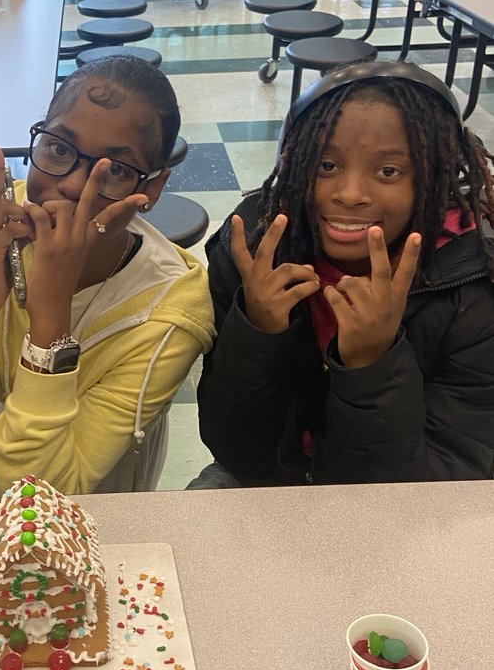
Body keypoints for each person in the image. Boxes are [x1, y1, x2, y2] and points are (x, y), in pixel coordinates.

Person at [0, 55, 215, 499]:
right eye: (59, 149)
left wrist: (50, 318)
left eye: (115, 171)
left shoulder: (169, 312)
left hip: (77, 515)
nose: (72, 185)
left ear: (151, 190)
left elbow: (40, 496)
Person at [194, 61, 494, 488]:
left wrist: (374, 362)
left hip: (403, 503)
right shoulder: (253, 250)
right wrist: (257, 331)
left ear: (432, 178)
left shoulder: (474, 291)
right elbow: (234, 449)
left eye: (388, 171)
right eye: (327, 166)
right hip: (270, 480)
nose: (350, 194)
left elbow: (435, 490)